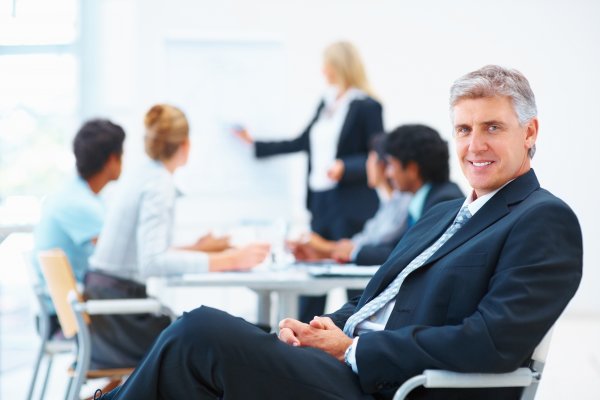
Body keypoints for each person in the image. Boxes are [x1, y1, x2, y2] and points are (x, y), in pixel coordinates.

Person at [95, 66, 583, 400]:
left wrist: (353, 349)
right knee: (199, 363)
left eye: (492, 127)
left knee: (200, 333)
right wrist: (323, 327)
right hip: (351, 369)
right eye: (463, 129)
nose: (474, 145)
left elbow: (490, 342)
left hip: (395, 386)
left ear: (530, 132)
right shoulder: (444, 213)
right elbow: (377, 300)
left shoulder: (542, 219)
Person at [86, 104, 270, 369]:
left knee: (229, 335)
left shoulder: (143, 175)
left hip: (108, 312)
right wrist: (231, 260)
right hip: (121, 318)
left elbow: (146, 253)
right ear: (185, 144)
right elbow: (152, 263)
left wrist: (200, 249)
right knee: (244, 340)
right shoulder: (158, 184)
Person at [235, 41, 383, 321]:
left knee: (353, 280)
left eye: (327, 64)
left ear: (340, 66)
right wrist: (256, 144)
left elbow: (377, 152)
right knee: (311, 277)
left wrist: (346, 167)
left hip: (350, 204)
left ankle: (359, 335)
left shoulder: (366, 105)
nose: (323, 70)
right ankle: (302, 336)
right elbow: (303, 141)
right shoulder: (327, 104)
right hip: (321, 202)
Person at [291, 125, 464, 267]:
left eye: (391, 165)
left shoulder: (444, 201)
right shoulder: (424, 200)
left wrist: (347, 251)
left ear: (412, 169)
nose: (388, 173)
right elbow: (397, 248)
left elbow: (407, 254)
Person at [33, 119, 125, 338]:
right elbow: (119, 257)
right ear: (112, 159)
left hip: (64, 311)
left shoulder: (76, 194)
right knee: (159, 328)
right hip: (67, 318)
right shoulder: (80, 203)